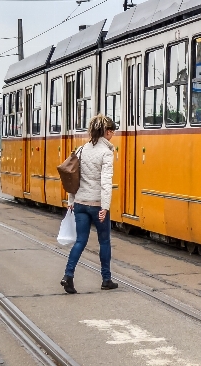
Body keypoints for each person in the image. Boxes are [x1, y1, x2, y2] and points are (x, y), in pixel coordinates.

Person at [61, 114, 116, 294]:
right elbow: (106, 183)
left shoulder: (81, 150)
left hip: (80, 203)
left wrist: (71, 201)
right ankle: (106, 279)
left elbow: (72, 176)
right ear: (107, 132)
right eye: (112, 132)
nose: (113, 135)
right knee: (104, 241)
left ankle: (68, 275)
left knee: (80, 241)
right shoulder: (106, 153)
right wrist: (105, 207)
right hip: (97, 204)